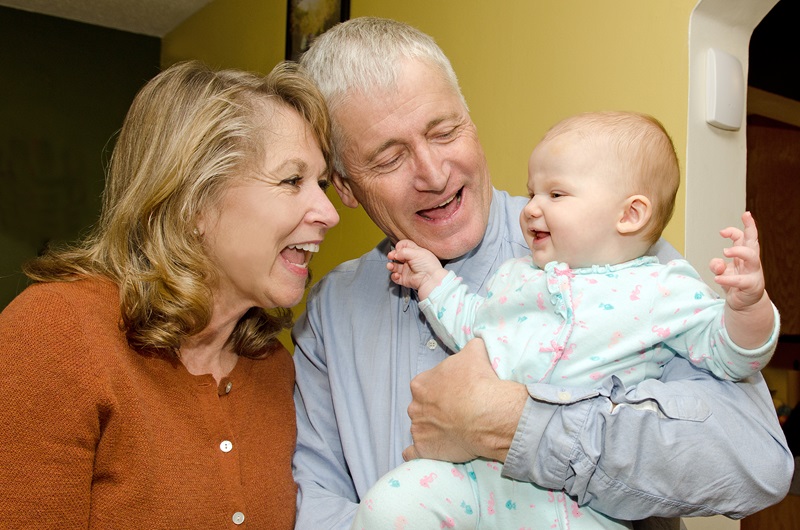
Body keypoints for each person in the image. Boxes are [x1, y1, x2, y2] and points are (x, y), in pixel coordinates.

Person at [292, 16, 793, 530]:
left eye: (444, 131)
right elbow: (316, 502)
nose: (434, 174)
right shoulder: (329, 313)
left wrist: (513, 423)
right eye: (389, 159)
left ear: (471, 123)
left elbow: (755, 463)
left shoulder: (606, 252)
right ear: (346, 188)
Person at [350, 111, 779, 529]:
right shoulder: (517, 276)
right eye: (531, 192)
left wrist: (747, 309)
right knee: (388, 505)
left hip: (581, 502)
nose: (530, 208)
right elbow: (474, 323)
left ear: (629, 215)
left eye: (555, 195)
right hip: (480, 481)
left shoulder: (663, 288)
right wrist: (433, 281)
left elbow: (731, 356)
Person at [0, 60, 339, 529]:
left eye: (320, 184)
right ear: (193, 201)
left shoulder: (274, 368)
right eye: (291, 180)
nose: (329, 213)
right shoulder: (55, 332)